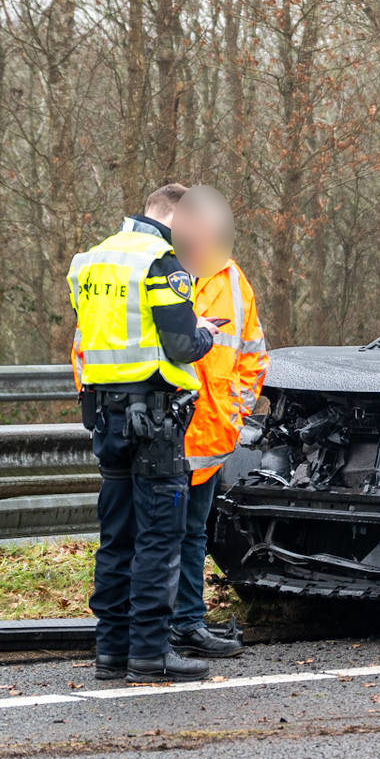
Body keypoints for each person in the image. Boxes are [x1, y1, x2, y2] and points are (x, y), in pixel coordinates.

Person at [67, 182, 219, 684]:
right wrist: (207, 334)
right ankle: (150, 656)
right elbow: (179, 343)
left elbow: (96, 332)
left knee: (117, 537)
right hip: (154, 420)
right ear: (175, 218)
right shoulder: (162, 261)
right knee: (159, 537)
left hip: (106, 416)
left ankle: (110, 653)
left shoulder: (91, 260)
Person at [165, 185, 269, 657]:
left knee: (191, 534)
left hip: (209, 437)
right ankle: (159, 624)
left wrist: (234, 413)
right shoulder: (159, 269)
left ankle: (186, 621)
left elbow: (252, 354)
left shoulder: (232, 280)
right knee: (159, 535)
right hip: (163, 435)